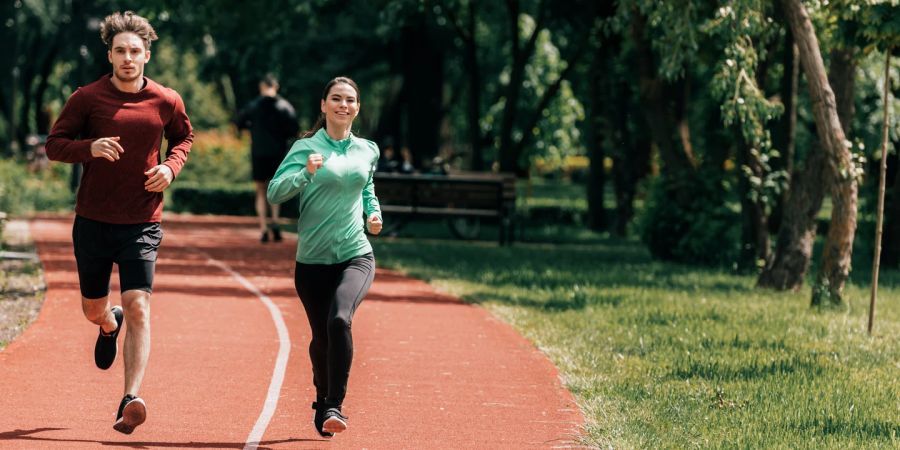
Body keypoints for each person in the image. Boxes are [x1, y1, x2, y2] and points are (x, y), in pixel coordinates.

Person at [45, 11, 192, 435]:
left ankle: (130, 398)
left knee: (140, 306)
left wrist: (171, 167)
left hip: (142, 221)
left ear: (147, 54)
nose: (128, 58)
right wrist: (90, 147)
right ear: (109, 55)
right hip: (93, 219)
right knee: (94, 308)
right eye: (120, 51)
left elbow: (184, 136)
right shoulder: (86, 98)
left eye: (135, 51)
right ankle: (108, 324)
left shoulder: (166, 99)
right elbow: (55, 145)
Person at [267, 76, 382, 438]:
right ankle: (321, 398)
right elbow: (274, 192)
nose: (343, 105)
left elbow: (367, 187)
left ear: (357, 107)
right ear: (323, 105)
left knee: (339, 321)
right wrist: (305, 173)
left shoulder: (368, 150)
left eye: (350, 100)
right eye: (336, 98)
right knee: (320, 338)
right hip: (312, 262)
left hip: (355, 253)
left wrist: (373, 213)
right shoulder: (305, 148)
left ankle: (335, 404)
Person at [235, 74, 299, 242]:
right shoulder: (285, 106)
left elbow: (239, 122)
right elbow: (294, 130)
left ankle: (263, 228)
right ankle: (276, 223)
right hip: (278, 153)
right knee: (275, 189)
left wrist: (252, 128)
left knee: (261, 190)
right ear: (276, 86)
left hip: (258, 152)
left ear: (262, 86)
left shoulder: (253, 106)